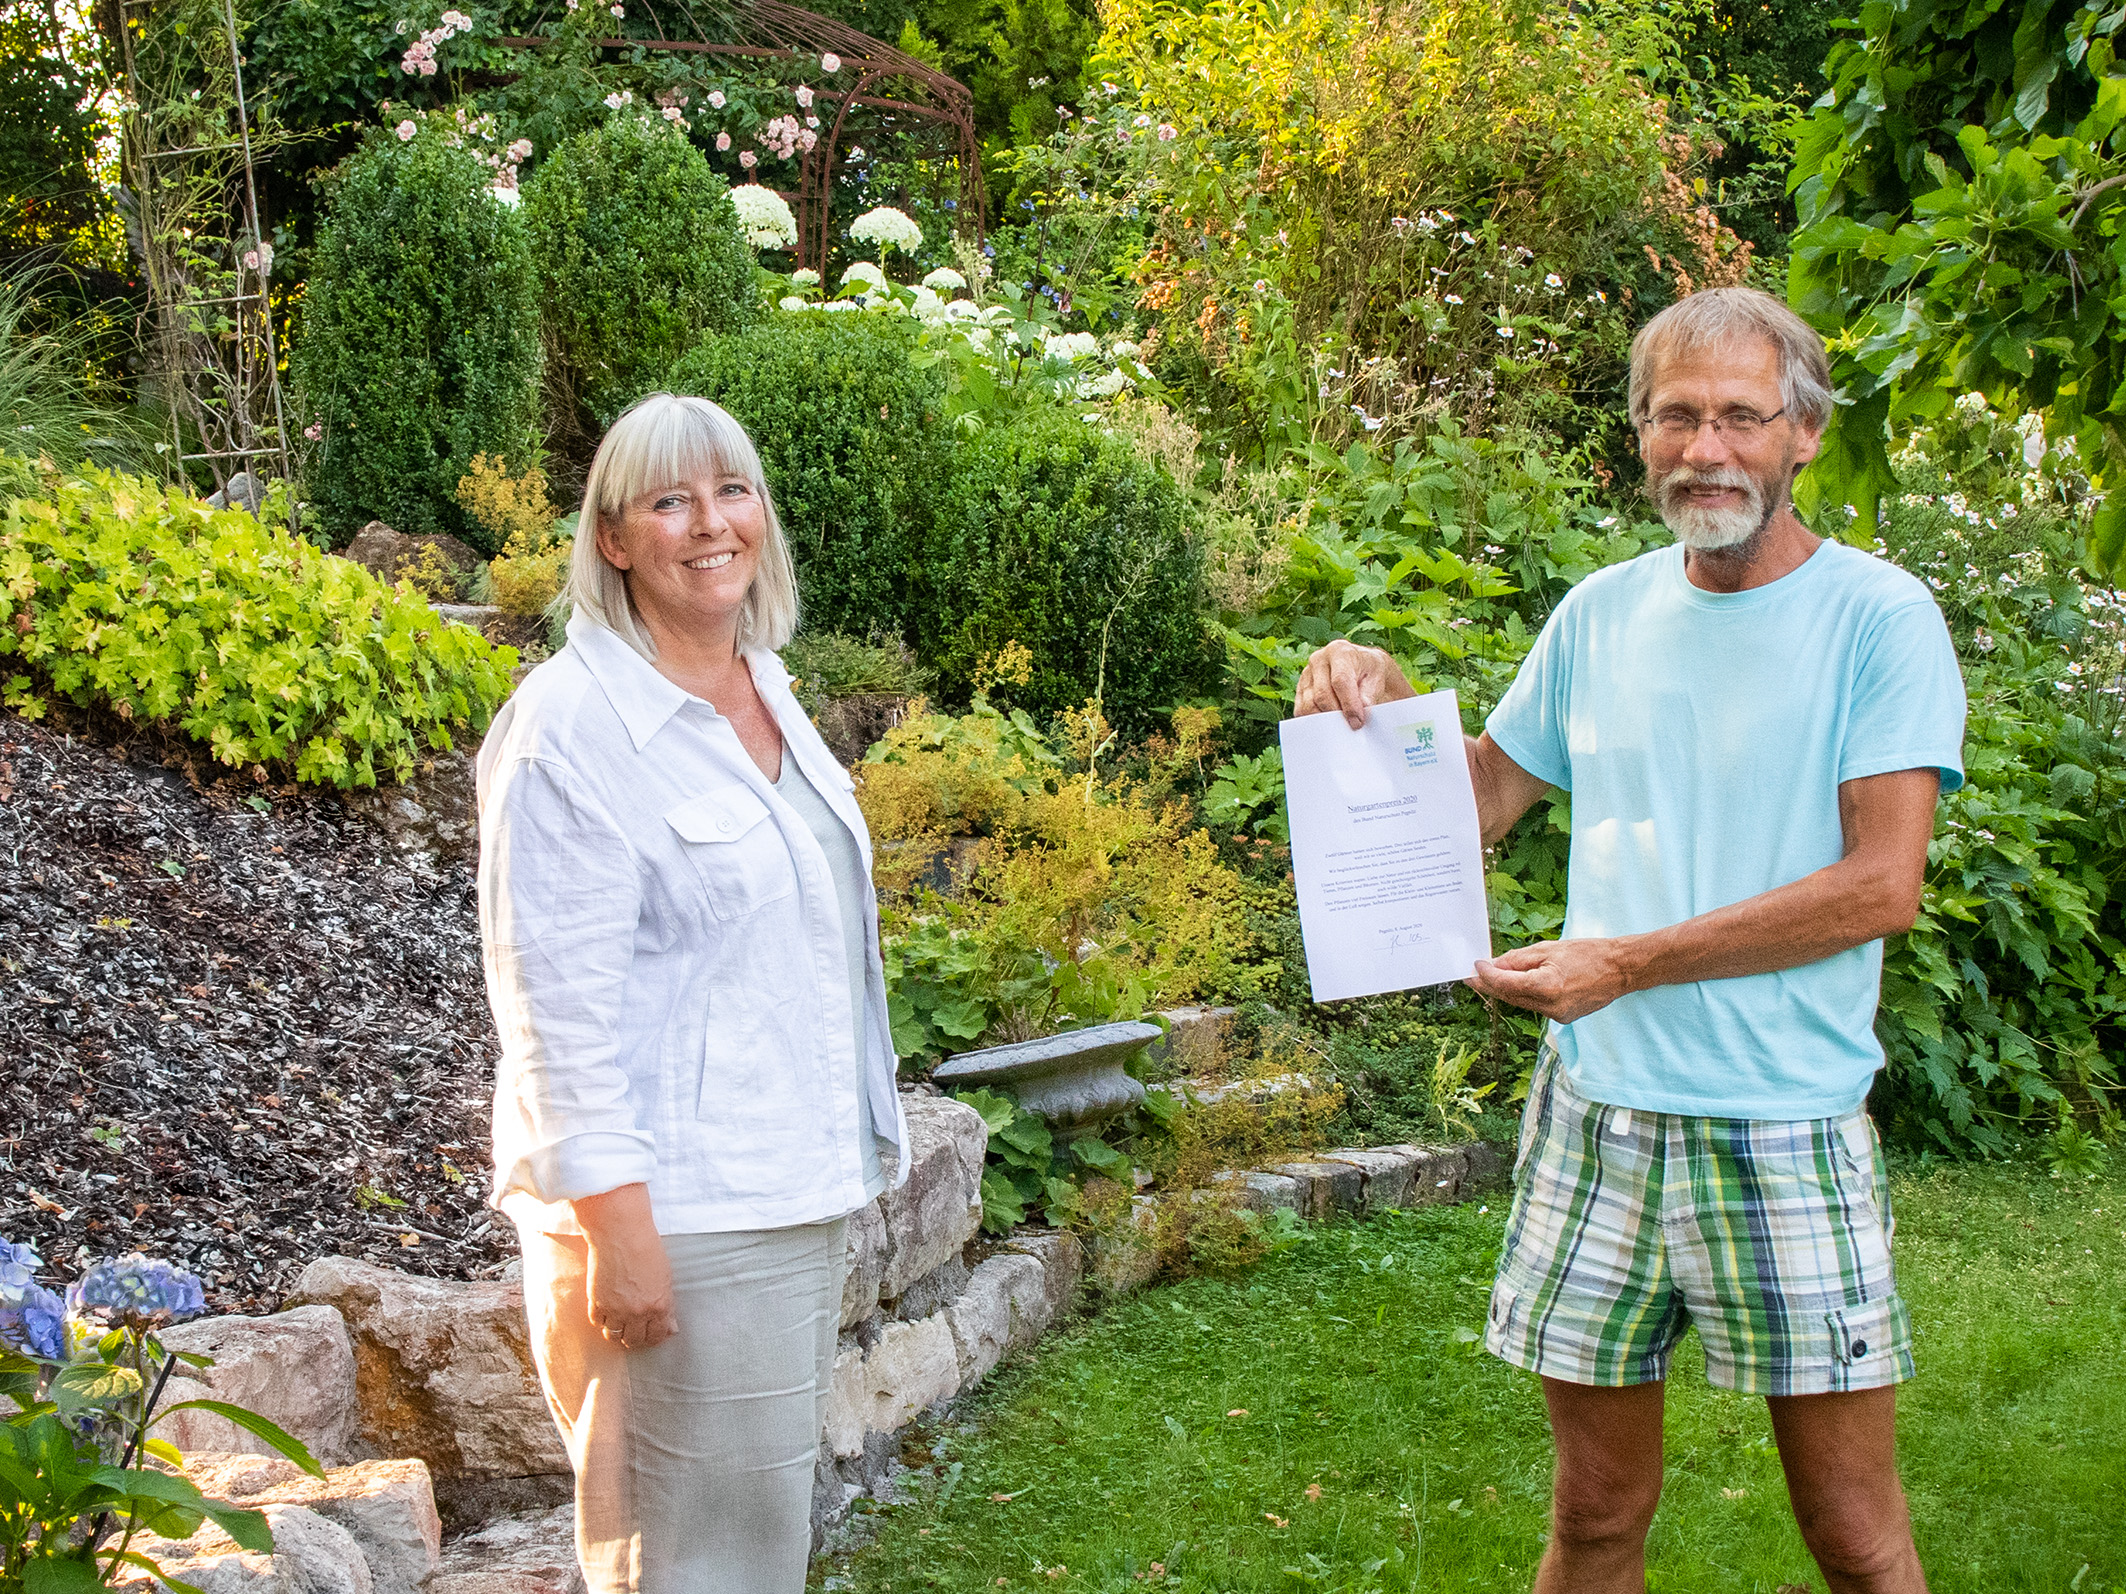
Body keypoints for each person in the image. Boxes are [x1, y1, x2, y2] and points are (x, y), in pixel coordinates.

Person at [1294, 287, 1964, 1594]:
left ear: (1801, 435)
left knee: (1853, 1535)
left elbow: (1879, 886)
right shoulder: (1600, 613)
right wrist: (1366, 707)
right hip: (1594, 1120)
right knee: (1594, 1516)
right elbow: (1483, 798)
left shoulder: (1877, 621)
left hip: (1781, 1124)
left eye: (1737, 416)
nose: (1704, 448)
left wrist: (1626, 961)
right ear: (1640, 435)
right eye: (1675, 416)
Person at [476, 392, 906, 1594]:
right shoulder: (570, 731)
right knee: (687, 1569)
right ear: (612, 539)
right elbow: (549, 1011)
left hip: (779, 1199)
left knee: (745, 1554)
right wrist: (619, 1237)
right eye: (668, 500)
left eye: (731, 492)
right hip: (682, 1221)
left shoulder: (761, 687)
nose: (707, 523)